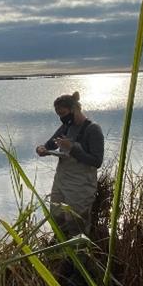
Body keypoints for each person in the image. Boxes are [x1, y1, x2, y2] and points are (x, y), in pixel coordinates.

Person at [36, 91, 104, 237]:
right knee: (57, 220)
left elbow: (97, 161)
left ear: (74, 109)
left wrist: (72, 148)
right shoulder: (66, 127)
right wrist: (42, 149)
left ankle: (79, 257)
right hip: (61, 181)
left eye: (63, 113)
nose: (61, 118)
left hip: (81, 186)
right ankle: (59, 254)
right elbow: (50, 144)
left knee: (76, 225)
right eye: (58, 115)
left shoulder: (93, 129)